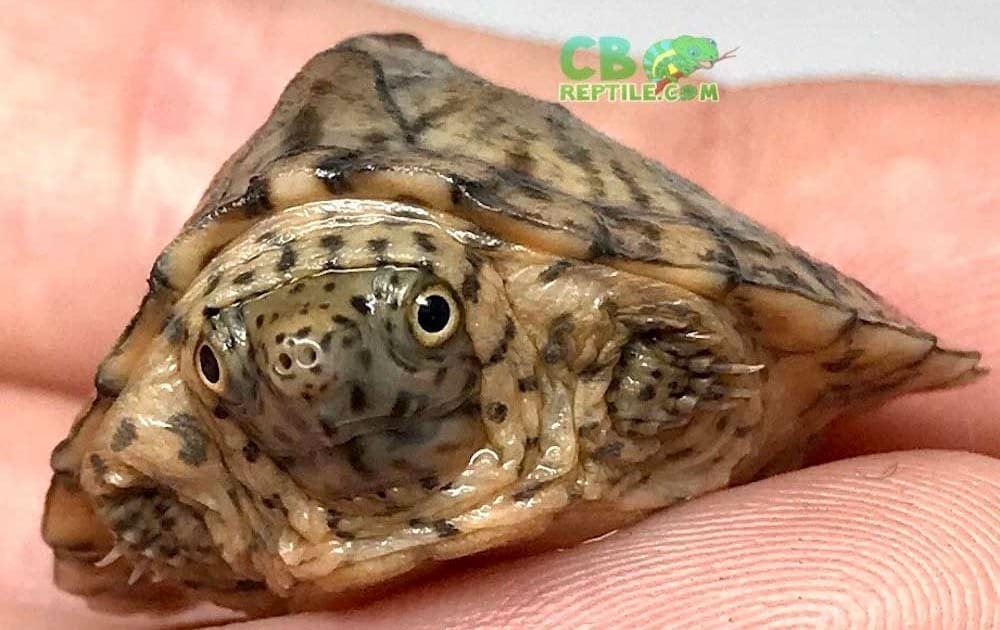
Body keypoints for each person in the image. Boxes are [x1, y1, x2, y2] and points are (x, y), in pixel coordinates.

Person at [2, 2, 997, 627]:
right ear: (210, 389)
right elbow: (133, 484)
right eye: (233, 373)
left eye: (428, 319)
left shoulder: (574, 305)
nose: (329, 389)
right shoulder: (195, 429)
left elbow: (700, 333)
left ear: (480, 310)